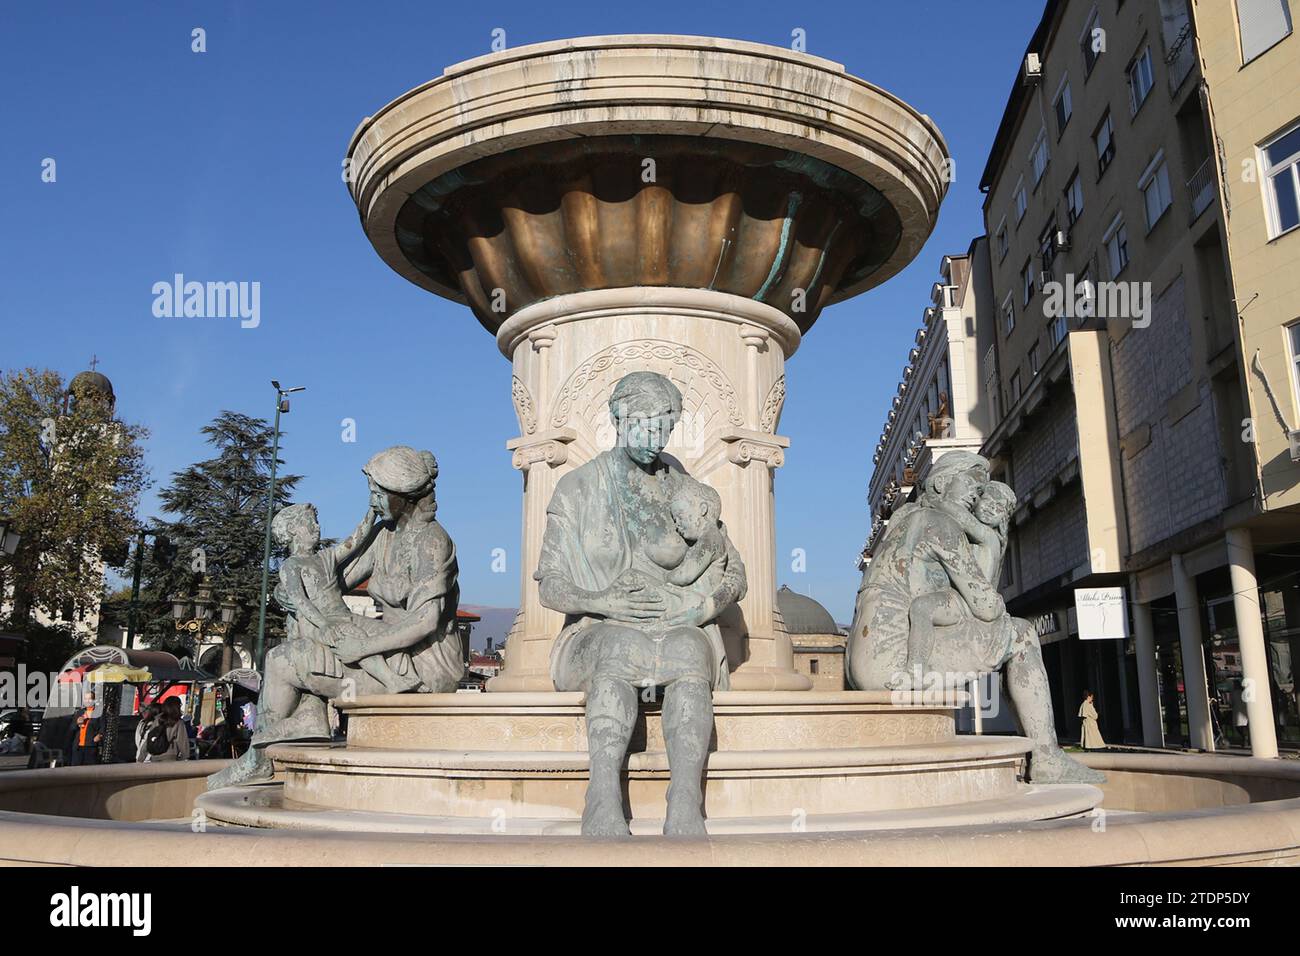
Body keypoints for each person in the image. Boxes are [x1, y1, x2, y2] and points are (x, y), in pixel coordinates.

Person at [536, 371, 747, 836]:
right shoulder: (577, 489)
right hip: (595, 632)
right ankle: (603, 793)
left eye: (665, 430)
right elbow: (549, 586)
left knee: (693, 651)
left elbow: (735, 573)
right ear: (618, 416)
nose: (657, 440)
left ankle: (686, 798)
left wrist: (700, 608)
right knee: (619, 647)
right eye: (647, 427)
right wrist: (601, 600)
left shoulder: (681, 484)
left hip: (676, 628)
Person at [272, 502, 419, 693]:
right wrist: (324, 624)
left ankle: (411, 677)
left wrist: (372, 512)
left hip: (345, 616)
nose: (317, 527)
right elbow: (300, 600)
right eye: (310, 522)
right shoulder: (291, 565)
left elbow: (356, 540)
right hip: (319, 623)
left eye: (316, 522)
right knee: (354, 637)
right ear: (292, 529)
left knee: (387, 632)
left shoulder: (325, 557)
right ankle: (392, 681)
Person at [137, 697, 190, 762]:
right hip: (170, 757)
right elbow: (182, 742)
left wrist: (140, 759)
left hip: (155, 756)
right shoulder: (178, 722)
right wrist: (184, 757)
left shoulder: (158, 719)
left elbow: (150, 738)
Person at [66, 690, 102, 766]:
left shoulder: (98, 712)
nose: (87, 701)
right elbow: (71, 728)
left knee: (89, 771)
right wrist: (77, 723)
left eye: (90, 699)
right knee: (76, 770)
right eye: (85, 699)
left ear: (94, 700)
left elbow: (103, 727)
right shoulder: (80, 712)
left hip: (91, 746)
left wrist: (99, 735)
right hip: (78, 747)